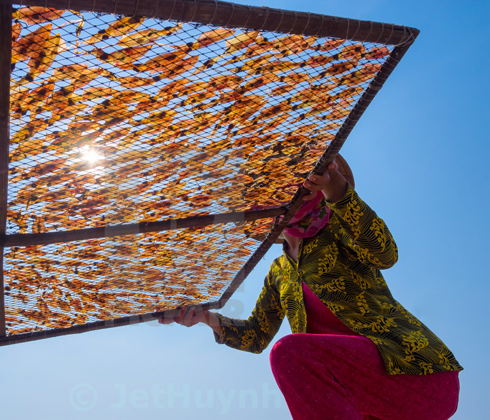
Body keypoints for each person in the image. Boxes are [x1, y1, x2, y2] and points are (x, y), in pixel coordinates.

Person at [159, 156, 462, 420]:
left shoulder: (340, 230)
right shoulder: (279, 272)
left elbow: (385, 254)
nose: (294, 194)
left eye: (301, 185)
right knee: (291, 355)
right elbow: (256, 335)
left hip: (416, 372)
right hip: (367, 407)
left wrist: (337, 189)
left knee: (290, 353)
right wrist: (204, 318)